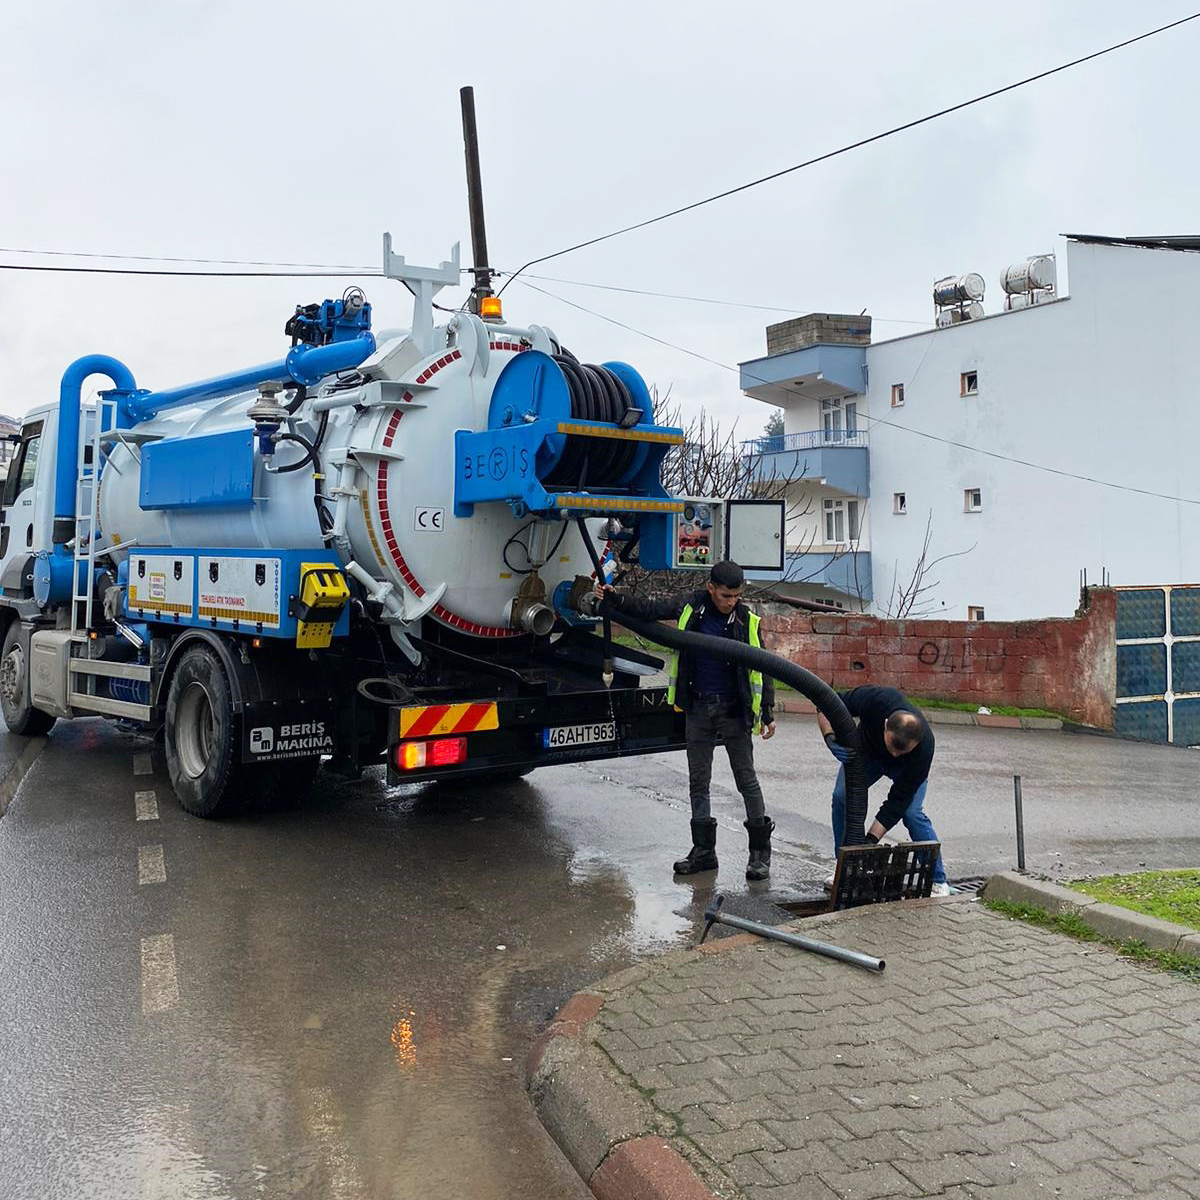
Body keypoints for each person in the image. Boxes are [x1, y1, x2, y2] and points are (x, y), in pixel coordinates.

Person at [601, 560, 777, 880]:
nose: (732, 602)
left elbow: (762, 665)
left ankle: (759, 854)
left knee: (746, 780)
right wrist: (617, 600)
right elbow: (650, 608)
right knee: (699, 781)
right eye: (726, 596)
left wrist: (767, 710)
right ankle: (704, 852)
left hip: (733, 711)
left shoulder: (746, 619)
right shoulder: (693, 607)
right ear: (711, 588)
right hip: (698, 709)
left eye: (737, 596)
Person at [817, 685, 951, 896]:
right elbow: (825, 703)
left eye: (902, 751)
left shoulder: (924, 748)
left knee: (912, 814)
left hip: (906, 771)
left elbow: (897, 802)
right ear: (886, 724)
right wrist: (830, 738)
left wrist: (870, 840)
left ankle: (938, 880)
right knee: (841, 797)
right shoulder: (876, 700)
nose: (895, 755)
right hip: (867, 756)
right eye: (892, 748)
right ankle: (844, 868)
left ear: (915, 743)